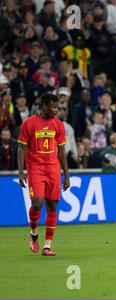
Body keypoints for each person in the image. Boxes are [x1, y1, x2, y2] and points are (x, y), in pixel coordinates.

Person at [17, 93, 70, 256]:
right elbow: (22, 149)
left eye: (58, 107)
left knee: (52, 206)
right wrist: (21, 172)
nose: (56, 110)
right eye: (54, 107)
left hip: (53, 169)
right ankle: (34, 232)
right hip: (36, 169)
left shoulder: (59, 125)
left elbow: (62, 151)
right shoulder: (29, 124)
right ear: (44, 105)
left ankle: (47, 246)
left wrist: (66, 175)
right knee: (37, 203)